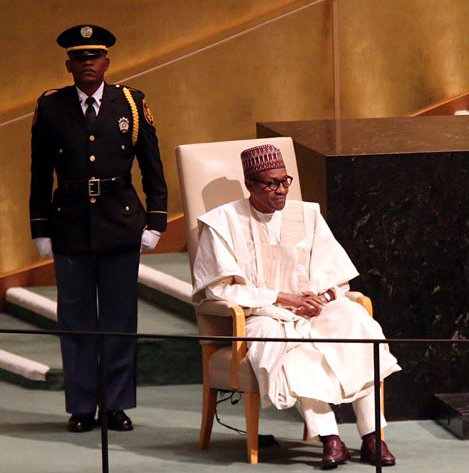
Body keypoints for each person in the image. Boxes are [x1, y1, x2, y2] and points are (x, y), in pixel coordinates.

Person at [192, 144, 400, 469]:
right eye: (272, 184)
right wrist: (281, 299)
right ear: (250, 184)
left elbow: (336, 275)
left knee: (358, 324)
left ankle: (373, 435)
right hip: (261, 315)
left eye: (284, 181)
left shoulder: (305, 215)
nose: (281, 189)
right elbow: (220, 289)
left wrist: (324, 298)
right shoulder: (223, 223)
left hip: (312, 309)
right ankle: (330, 437)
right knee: (290, 351)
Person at [29, 24, 167, 433]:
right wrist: (40, 227)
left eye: (95, 57)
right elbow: (39, 174)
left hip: (120, 223)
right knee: (75, 319)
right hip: (69, 224)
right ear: (69, 64)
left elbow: (152, 168)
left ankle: (116, 404)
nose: (88, 64)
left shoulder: (131, 103)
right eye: (80, 58)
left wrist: (156, 221)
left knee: (119, 319)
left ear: (107, 62)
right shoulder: (52, 107)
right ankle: (82, 406)